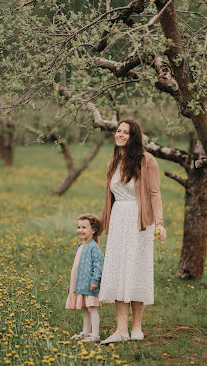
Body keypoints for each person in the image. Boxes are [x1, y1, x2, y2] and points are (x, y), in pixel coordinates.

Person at [99, 118, 166, 344]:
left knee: (136, 271)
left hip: (139, 222)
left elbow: (155, 193)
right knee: (118, 271)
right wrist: (101, 226)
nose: (119, 135)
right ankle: (121, 329)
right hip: (118, 219)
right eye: (118, 131)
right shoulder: (114, 162)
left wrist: (159, 223)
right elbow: (109, 198)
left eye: (125, 132)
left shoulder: (147, 161)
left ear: (133, 136)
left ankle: (136, 327)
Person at [65, 214, 104, 343]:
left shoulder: (94, 247)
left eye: (84, 227)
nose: (80, 230)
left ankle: (95, 334)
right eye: (78, 227)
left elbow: (98, 265)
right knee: (85, 309)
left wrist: (94, 281)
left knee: (92, 308)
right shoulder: (81, 245)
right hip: (80, 284)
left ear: (93, 230)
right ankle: (86, 333)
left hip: (89, 284)